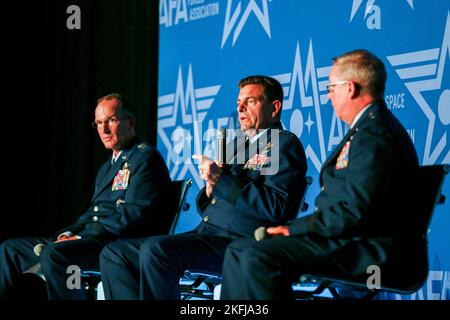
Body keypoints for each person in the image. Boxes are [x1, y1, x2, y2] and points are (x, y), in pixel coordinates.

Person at [219, 50, 420, 299]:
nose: (329, 95)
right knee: (239, 251)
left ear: (351, 88)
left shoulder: (375, 135)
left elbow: (353, 212)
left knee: (256, 255)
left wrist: (295, 229)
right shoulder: (367, 128)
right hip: (344, 239)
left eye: (331, 87)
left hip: (369, 253)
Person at [99, 75, 308, 299]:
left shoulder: (282, 143)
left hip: (238, 242)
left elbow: (277, 207)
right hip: (206, 234)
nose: (241, 108)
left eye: (250, 101)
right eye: (239, 102)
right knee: (115, 253)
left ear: (274, 107)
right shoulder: (237, 145)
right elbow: (211, 206)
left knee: (156, 251)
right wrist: (209, 188)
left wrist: (222, 181)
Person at [0, 93, 171, 300]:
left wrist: (81, 237)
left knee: (57, 254)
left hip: (115, 245)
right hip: (93, 238)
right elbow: (93, 213)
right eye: (99, 123)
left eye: (111, 120)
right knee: (11, 250)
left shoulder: (145, 157)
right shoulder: (106, 167)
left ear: (131, 122)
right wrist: (68, 234)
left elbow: (133, 215)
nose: (104, 129)